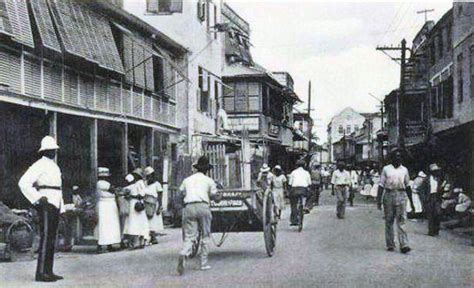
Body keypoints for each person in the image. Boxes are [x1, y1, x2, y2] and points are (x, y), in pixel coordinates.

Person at [18, 136, 64, 282]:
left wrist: (61, 207)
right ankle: (41, 273)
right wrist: (37, 198)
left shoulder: (54, 166)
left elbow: (58, 189)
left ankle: (48, 270)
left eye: (54, 150)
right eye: (51, 150)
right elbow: (23, 183)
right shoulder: (39, 165)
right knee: (46, 238)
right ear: (45, 151)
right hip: (46, 203)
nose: (53, 152)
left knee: (51, 238)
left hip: (55, 202)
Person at [177, 156, 220, 275]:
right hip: (203, 207)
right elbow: (215, 198)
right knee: (206, 235)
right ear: (207, 169)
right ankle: (204, 263)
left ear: (197, 168)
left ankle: (184, 253)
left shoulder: (187, 180)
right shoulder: (209, 181)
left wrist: (182, 207)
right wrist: (219, 196)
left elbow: (179, 195)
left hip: (189, 207)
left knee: (190, 236)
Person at [377, 149, 415, 254]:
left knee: (402, 220)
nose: (398, 158)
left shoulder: (404, 170)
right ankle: (390, 244)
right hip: (389, 194)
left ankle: (404, 245)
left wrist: (411, 202)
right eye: (396, 156)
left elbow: (407, 186)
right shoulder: (386, 169)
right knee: (389, 220)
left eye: (399, 156)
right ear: (391, 158)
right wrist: (379, 200)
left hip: (401, 194)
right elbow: (381, 185)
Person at [95, 167, 121, 253]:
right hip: (105, 204)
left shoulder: (103, 183)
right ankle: (100, 246)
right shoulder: (101, 183)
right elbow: (113, 190)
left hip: (109, 204)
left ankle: (109, 244)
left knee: (110, 225)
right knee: (104, 225)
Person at [123, 171, 149, 249]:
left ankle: (135, 243)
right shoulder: (139, 184)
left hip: (134, 204)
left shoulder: (138, 183)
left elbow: (141, 194)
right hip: (139, 203)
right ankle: (141, 242)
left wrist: (131, 195)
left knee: (133, 223)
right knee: (141, 222)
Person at [419, 163, 447, 236]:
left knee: (438, 213)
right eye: (435, 171)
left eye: (437, 171)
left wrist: (442, 190)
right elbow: (421, 189)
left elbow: (441, 189)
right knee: (430, 215)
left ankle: (436, 229)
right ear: (431, 172)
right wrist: (424, 199)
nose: (436, 172)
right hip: (429, 197)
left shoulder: (439, 179)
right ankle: (431, 231)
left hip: (437, 197)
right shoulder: (426, 179)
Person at [144, 166, 163, 245]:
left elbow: (160, 195)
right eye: (148, 176)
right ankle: (149, 236)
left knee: (153, 220)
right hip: (146, 203)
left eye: (151, 175)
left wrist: (160, 207)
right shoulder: (144, 183)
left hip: (154, 204)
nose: (149, 177)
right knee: (147, 220)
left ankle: (153, 236)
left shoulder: (157, 184)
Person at [288, 160, 311, 225]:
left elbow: (290, 183)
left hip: (294, 189)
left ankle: (294, 219)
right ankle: (307, 206)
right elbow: (309, 183)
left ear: (296, 166)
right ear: (304, 166)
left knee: (293, 204)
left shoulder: (293, 172)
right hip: (303, 189)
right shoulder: (306, 173)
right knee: (310, 195)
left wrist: (289, 191)